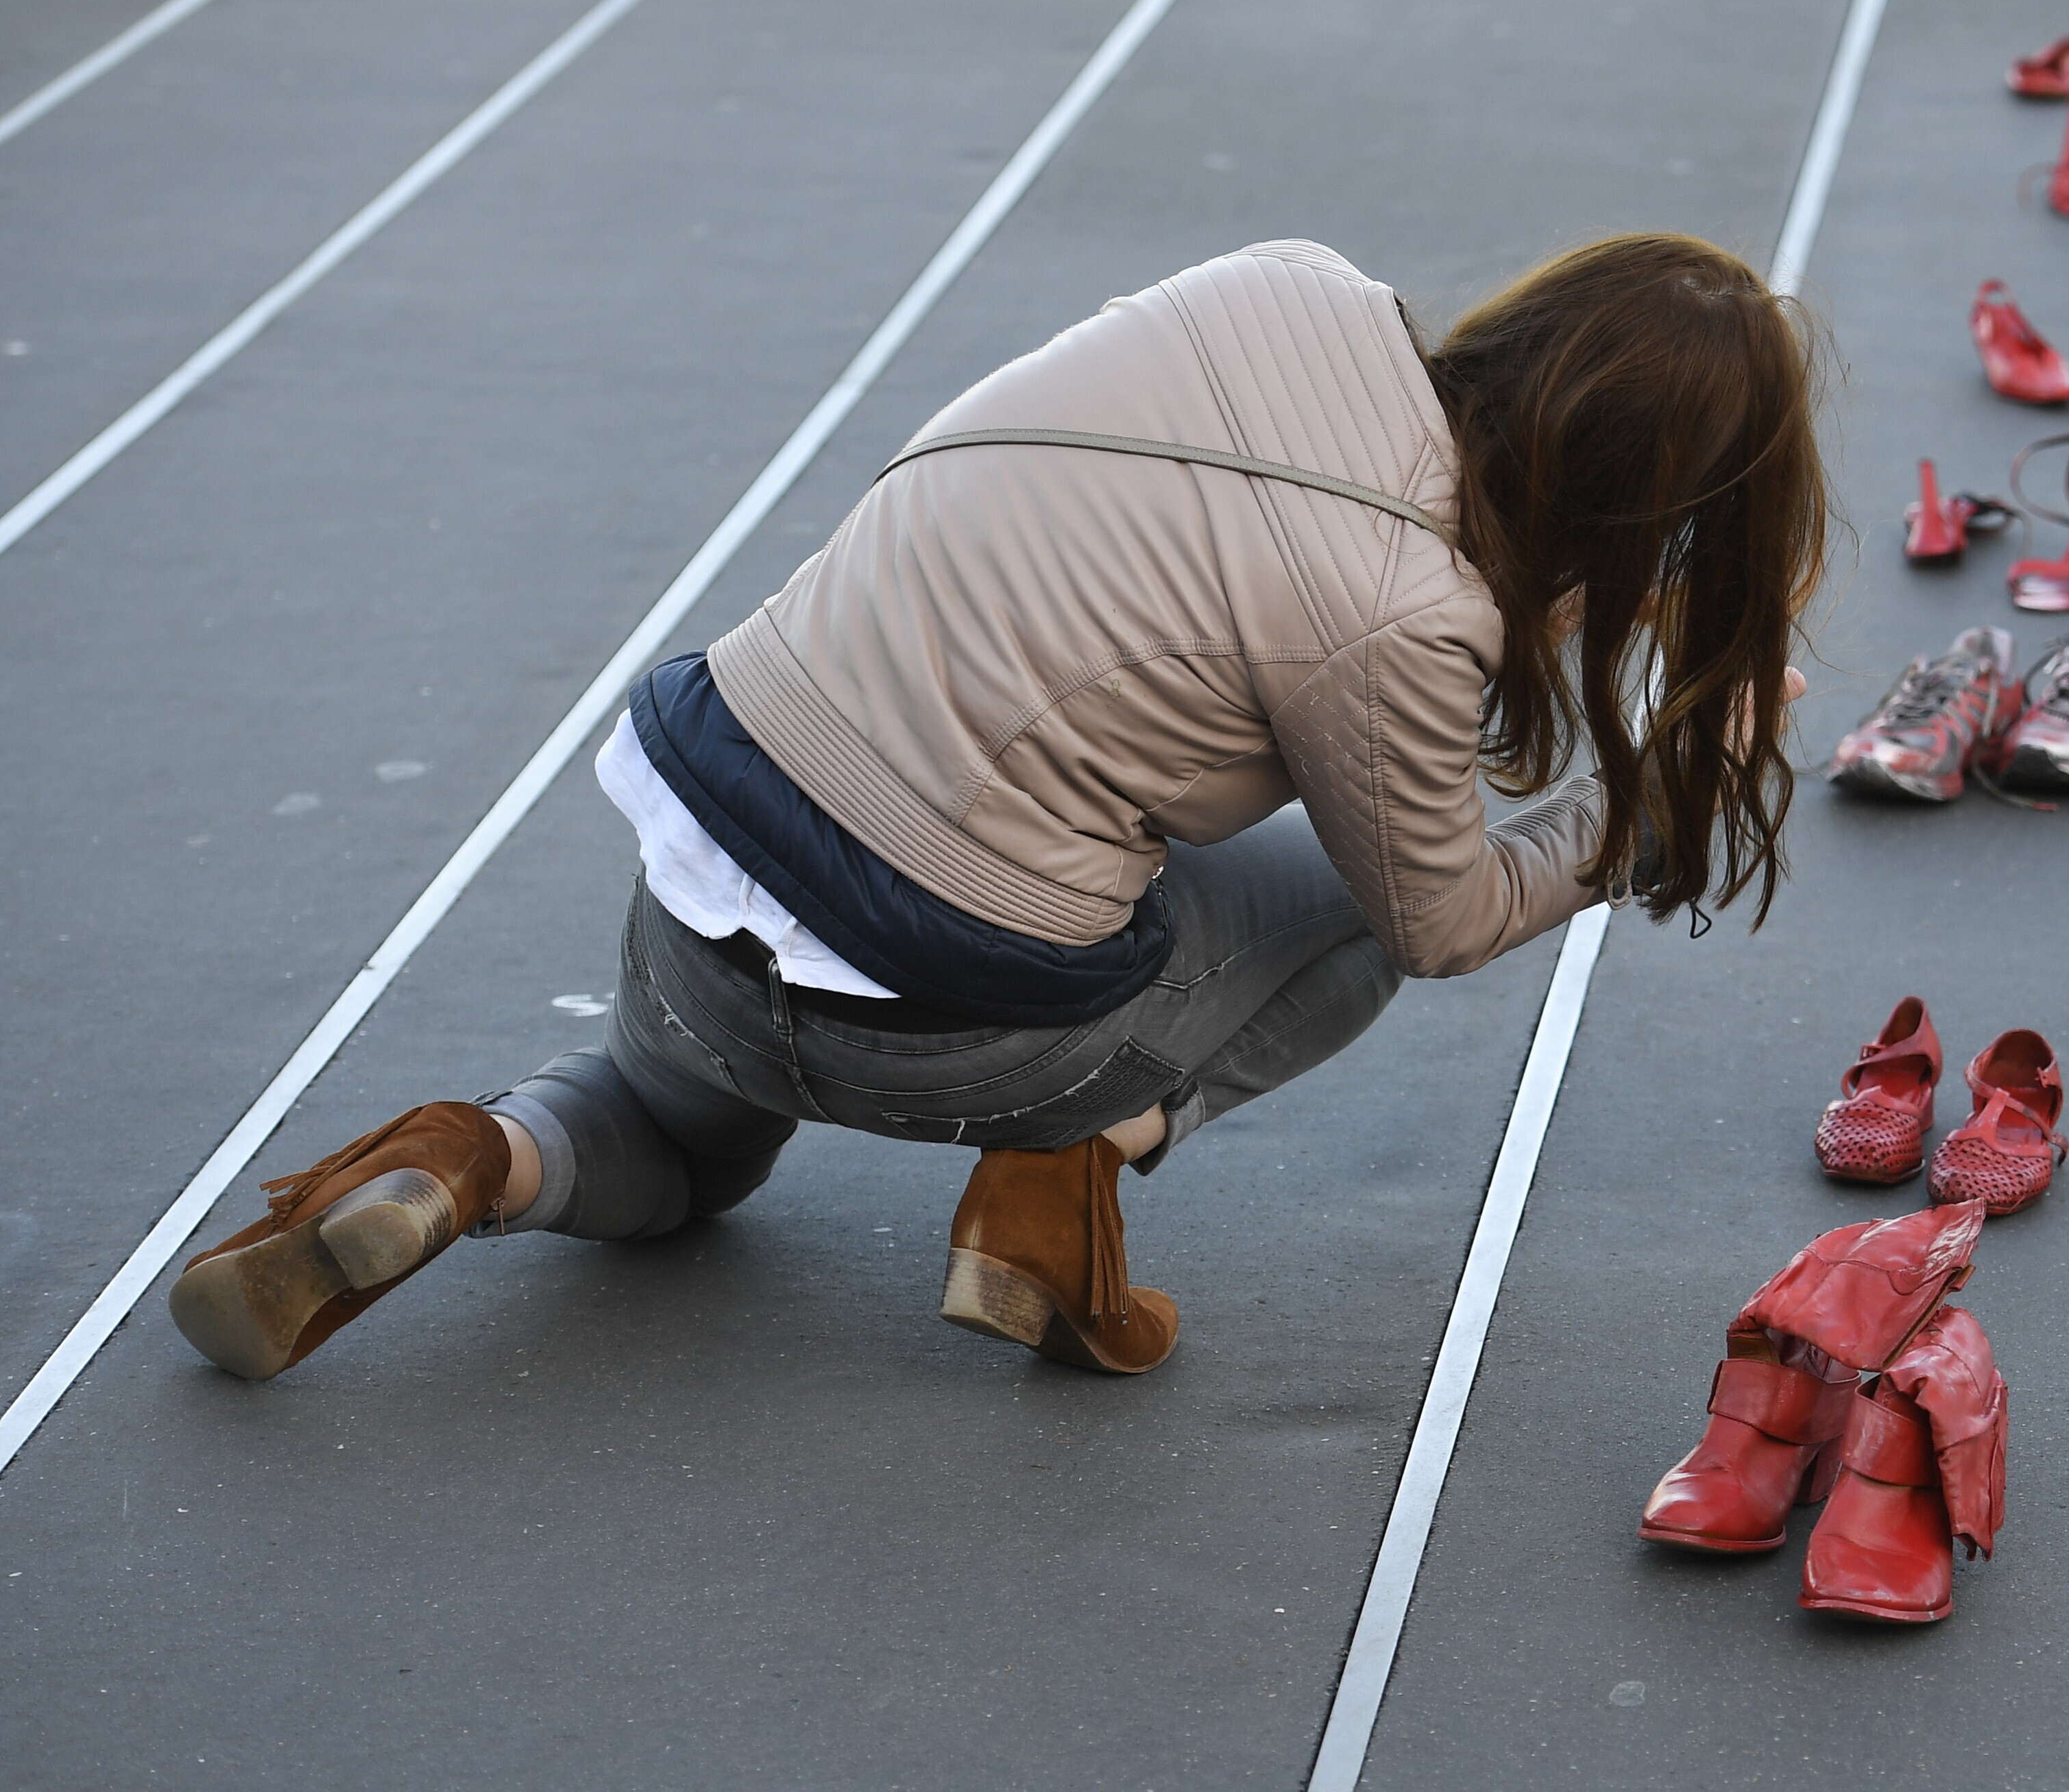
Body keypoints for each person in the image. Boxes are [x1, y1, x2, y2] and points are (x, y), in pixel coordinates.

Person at [169, 234, 1826, 1381]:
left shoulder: (1277, 288)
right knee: (1376, 897)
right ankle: (1077, 1147)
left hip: (711, 855)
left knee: (671, 1144)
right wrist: (1639, 818)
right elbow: (1445, 913)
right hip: (962, 1022)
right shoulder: (1409, 618)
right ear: (1658, 511)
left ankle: (463, 1162)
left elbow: (1256, 550)